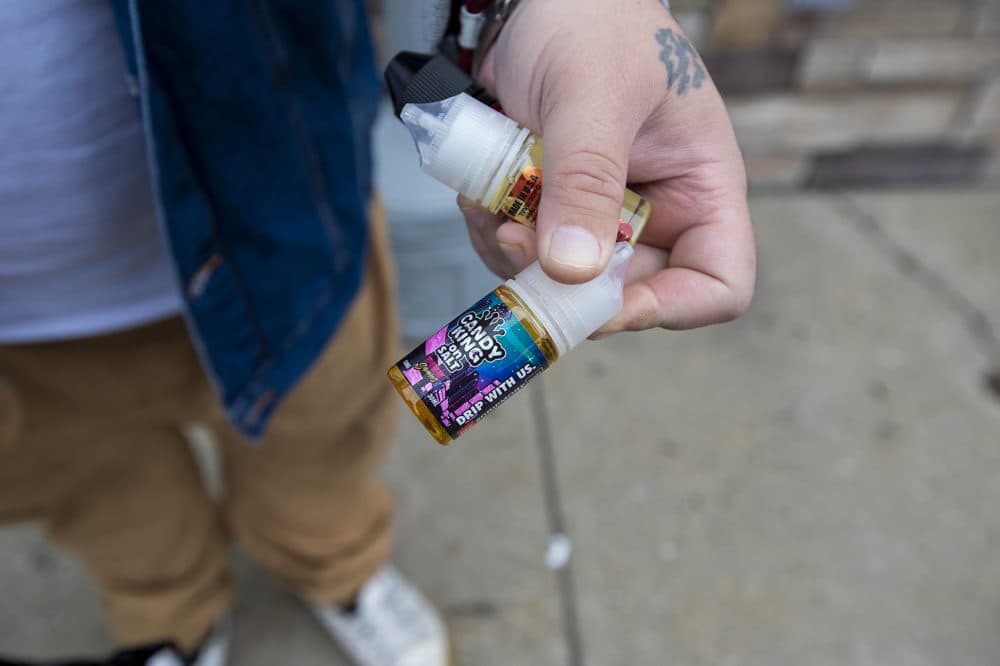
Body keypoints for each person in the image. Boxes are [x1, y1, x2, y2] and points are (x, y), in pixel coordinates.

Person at [0, 0, 755, 664]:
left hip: (282, 235)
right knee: (93, 487)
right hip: (22, 333)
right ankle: (169, 616)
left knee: (320, 441)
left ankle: (337, 568)